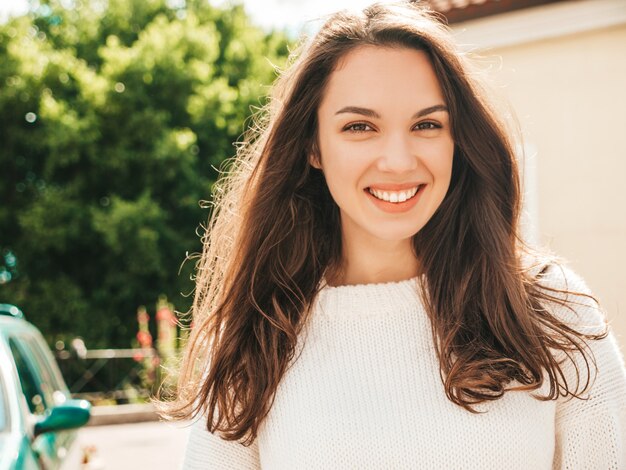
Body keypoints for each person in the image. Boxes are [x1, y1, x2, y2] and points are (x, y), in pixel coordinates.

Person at [159, 2, 626, 468]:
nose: (399, 161)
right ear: (312, 146)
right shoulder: (256, 334)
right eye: (359, 127)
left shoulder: (552, 310)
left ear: (457, 140)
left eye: (427, 124)